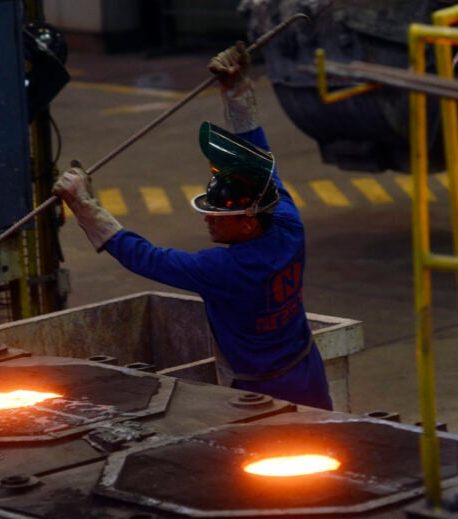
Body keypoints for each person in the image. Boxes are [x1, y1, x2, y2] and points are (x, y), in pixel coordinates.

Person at [53, 42, 333, 410]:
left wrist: (84, 206)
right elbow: (260, 165)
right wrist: (236, 90)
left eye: (218, 215)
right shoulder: (286, 222)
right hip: (308, 375)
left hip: (260, 396)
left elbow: (145, 258)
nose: (207, 218)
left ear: (248, 222)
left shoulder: (223, 270)